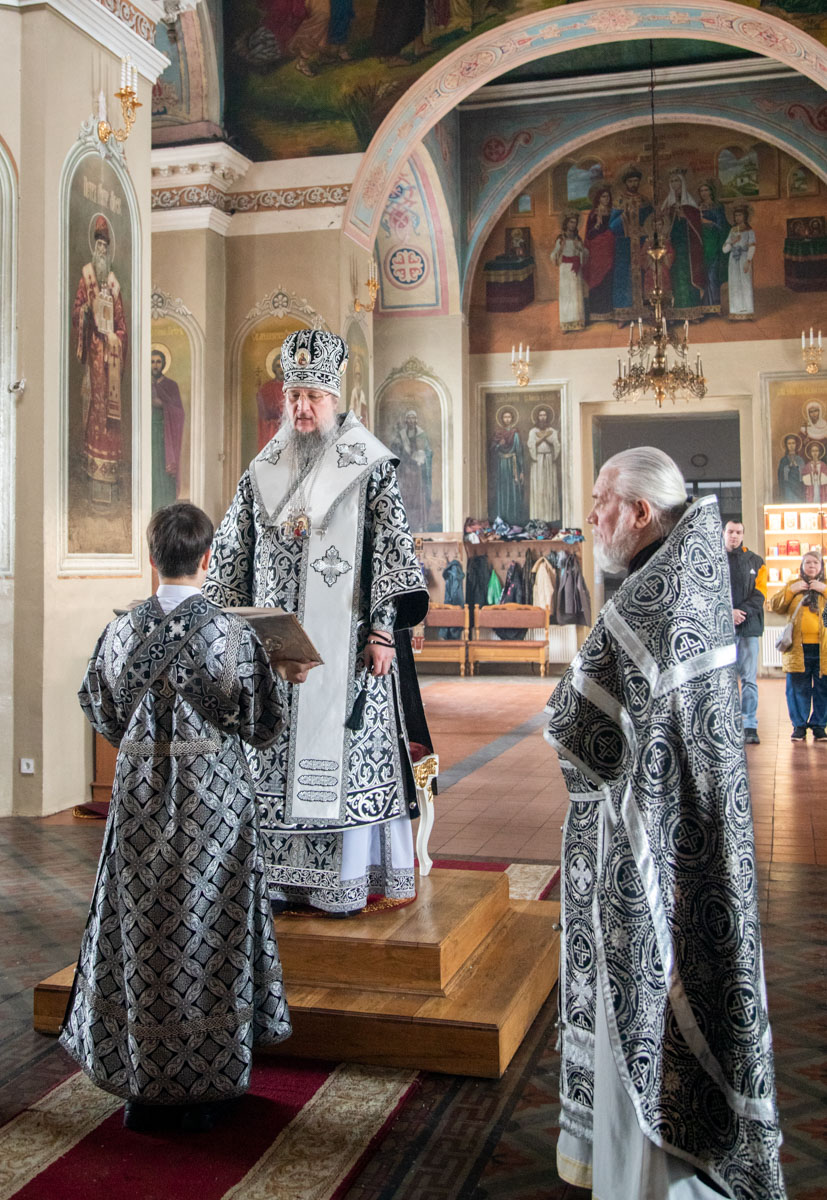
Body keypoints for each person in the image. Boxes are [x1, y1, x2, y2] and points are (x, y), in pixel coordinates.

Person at [545, 447, 785, 1200]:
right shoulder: (692, 575)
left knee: (652, 993)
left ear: (641, 511)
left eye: (602, 503)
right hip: (687, 825)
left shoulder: (652, 596)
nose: (592, 517)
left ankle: (651, 1180)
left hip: (647, 837)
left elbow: (576, 723)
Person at [61, 503, 295, 1132]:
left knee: (143, 932)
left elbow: (100, 709)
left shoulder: (118, 633)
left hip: (137, 802)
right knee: (210, 930)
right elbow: (264, 725)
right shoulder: (231, 635)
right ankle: (211, 1083)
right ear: (208, 559)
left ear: (151, 557)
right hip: (215, 809)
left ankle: (141, 1082)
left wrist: (147, 745)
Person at [204, 329, 431, 914]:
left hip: (347, 654)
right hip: (274, 655)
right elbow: (231, 551)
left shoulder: (369, 464)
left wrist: (382, 630)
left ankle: (341, 885)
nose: (302, 407)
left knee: (341, 766)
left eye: (313, 396)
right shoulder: (263, 468)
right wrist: (222, 623)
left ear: (336, 397)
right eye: (294, 395)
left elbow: (391, 549)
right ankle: (280, 883)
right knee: (272, 760)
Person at [72, 214, 127, 504]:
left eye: (105, 246)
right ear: (94, 249)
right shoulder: (87, 278)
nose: (102, 250)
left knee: (110, 417)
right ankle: (92, 475)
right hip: (94, 355)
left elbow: (121, 324)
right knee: (94, 408)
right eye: (99, 246)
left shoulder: (114, 286)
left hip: (110, 361)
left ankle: (110, 480)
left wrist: (115, 337)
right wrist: (84, 313)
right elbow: (77, 309)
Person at [770, 550, 827, 741]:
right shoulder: (792, 585)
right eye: (808, 563)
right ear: (802, 566)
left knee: (823, 689)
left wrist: (824, 590)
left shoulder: (826, 586)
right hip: (797, 649)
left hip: (824, 649)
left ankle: (819, 726)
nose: (811, 566)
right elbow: (775, 606)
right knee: (797, 689)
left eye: (815, 563)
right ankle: (799, 726)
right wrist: (791, 591)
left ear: (821, 566)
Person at [724, 517, 766, 744]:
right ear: (724, 533)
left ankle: (749, 724)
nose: (734, 536)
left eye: (738, 532)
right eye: (730, 531)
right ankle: (727, 725)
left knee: (749, 679)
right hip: (722, 630)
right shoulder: (713, 559)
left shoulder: (756, 561)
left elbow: (761, 594)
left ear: (743, 535)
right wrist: (728, 612)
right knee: (725, 680)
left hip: (749, 628)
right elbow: (708, 592)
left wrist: (741, 612)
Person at [609, 165, 653, 319]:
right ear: (625, 183)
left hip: (641, 243)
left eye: (636, 181)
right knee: (623, 276)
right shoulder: (619, 201)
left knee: (643, 273)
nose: (634, 184)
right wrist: (623, 216)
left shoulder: (645, 200)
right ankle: (623, 313)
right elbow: (612, 226)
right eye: (630, 181)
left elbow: (651, 222)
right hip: (624, 245)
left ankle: (644, 311)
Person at [661, 169, 707, 316]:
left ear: (682, 182)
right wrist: (669, 215)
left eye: (677, 181)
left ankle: (693, 311)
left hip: (688, 245)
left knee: (689, 275)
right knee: (676, 275)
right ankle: (677, 311)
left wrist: (685, 215)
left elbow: (697, 223)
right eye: (672, 181)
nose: (674, 184)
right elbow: (662, 224)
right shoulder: (667, 203)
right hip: (674, 244)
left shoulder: (690, 202)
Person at [151, 349, 185, 510]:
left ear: (163, 364)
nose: (155, 365)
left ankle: (165, 508)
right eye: (152, 362)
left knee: (163, 473)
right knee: (151, 471)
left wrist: (162, 405)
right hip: (148, 436)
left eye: (158, 361)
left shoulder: (171, 386)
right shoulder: (145, 384)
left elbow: (179, 412)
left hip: (165, 437)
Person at [390, 407, 432, 531]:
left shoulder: (421, 434)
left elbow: (428, 452)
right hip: (405, 471)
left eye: (413, 418)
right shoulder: (401, 434)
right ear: (406, 421)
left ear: (416, 420)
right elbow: (395, 449)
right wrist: (398, 447)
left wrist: (423, 456)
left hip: (417, 472)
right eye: (409, 418)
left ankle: (419, 524)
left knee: (418, 497)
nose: (411, 421)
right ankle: (403, 523)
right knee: (405, 496)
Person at [489, 405, 527, 527]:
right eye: (505, 417)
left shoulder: (515, 434)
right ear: (502, 419)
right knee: (503, 488)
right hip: (502, 465)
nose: (507, 419)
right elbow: (492, 449)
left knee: (513, 489)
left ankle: (514, 517)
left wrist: (521, 470)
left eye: (509, 417)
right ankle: (503, 516)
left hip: (512, 464)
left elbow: (519, 451)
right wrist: (498, 445)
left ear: (512, 418)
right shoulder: (498, 433)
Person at [550, 212, 588, 331]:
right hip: (565, 269)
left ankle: (578, 323)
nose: (573, 224)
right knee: (566, 295)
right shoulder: (561, 239)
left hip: (576, 268)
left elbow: (585, 253)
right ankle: (565, 324)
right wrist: (560, 249)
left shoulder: (577, 238)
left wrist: (579, 248)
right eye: (571, 222)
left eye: (575, 222)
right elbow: (554, 254)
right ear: (566, 223)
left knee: (576, 295)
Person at [582, 184, 614, 321]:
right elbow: (589, 235)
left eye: (608, 196)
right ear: (598, 198)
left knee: (608, 278)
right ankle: (596, 312)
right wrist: (596, 226)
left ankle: (608, 311)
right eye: (603, 196)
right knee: (597, 277)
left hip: (609, 249)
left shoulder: (612, 212)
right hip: (597, 251)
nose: (606, 199)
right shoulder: (593, 213)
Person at [697, 179, 729, 309]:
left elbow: (722, 225)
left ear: (711, 191)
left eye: (706, 190)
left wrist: (708, 223)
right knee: (704, 275)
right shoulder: (698, 206)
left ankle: (714, 305)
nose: (704, 193)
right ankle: (705, 306)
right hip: (702, 243)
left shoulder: (718, 207)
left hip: (714, 242)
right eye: (701, 191)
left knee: (713, 275)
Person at [527, 405, 561, 522]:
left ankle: (550, 516)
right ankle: (538, 516)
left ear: (547, 417)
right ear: (537, 417)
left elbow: (556, 445)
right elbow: (531, 445)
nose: (542, 417)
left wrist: (547, 437)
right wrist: (543, 437)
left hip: (549, 460)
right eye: (540, 415)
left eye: (544, 415)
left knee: (549, 487)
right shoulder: (533, 431)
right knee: (539, 487)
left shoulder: (552, 431)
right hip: (538, 461)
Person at [723, 204, 756, 319]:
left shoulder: (749, 230)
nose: (737, 218)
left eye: (740, 215)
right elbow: (724, 250)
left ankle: (747, 311)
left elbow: (752, 246)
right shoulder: (732, 230)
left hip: (744, 258)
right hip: (733, 260)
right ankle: (735, 310)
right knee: (734, 283)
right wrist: (732, 242)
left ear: (745, 216)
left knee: (745, 283)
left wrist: (748, 261)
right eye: (736, 215)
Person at [256, 358, 286, 451]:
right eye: (278, 366)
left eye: (283, 365)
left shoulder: (292, 387)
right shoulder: (267, 388)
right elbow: (264, 412)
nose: (281, 369)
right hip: (272, 430)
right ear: (274, 369)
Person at [777, 433, 806, 502]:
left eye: (793, 443)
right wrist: (788, 467)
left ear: (796, 445)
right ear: (786, 445)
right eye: (789, 443)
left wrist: (797, 467)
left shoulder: (800, 459)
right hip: (788, 487)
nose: (791, 445)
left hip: (798, 488)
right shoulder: (784, 460)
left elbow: (803, 475)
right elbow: (781, 475)